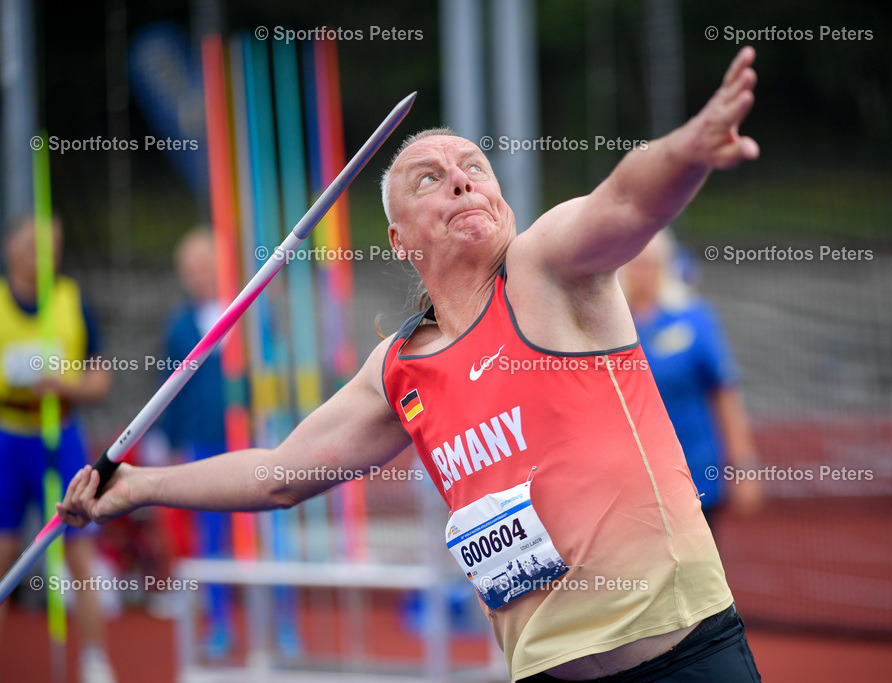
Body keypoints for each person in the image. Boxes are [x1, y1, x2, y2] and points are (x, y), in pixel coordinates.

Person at [61, 47, 763, 681]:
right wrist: (140, 485)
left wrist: (689, 149)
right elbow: (279, 475)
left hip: (683, 661)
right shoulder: (396, 369)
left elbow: (628, 199)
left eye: (474, 169)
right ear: (398, 239)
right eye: (430, 178)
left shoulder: (546, 271)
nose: (460, 182)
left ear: (503, 202)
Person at [0, 216, 117, 683]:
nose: (40, 255)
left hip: (61, 435)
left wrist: (62, 384)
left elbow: (100, 379)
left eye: (51, 247)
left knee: (79, 552)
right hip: (9, 436)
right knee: (4, 551)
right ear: (11, 247)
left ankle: (95, 660)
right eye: (32, 245)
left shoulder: (71, 300)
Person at [620, 231, 762, 531]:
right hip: (630, 484)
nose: (641, 273)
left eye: (649, 264)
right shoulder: (608, 326)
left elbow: (724, 392)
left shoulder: (694, 318)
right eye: (634, 263)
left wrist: (744, 466)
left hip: (696, 473)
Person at [155, 229, 235, 657]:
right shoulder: (179, 327)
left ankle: (282, 621)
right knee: (211, 537)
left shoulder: (246, 310)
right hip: (203, 443)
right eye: (190, 270)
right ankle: (220, 623)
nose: (199, 276)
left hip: (249, 441)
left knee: (261, 532)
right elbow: (168, 390)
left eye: (205, 266)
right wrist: (170, 443)